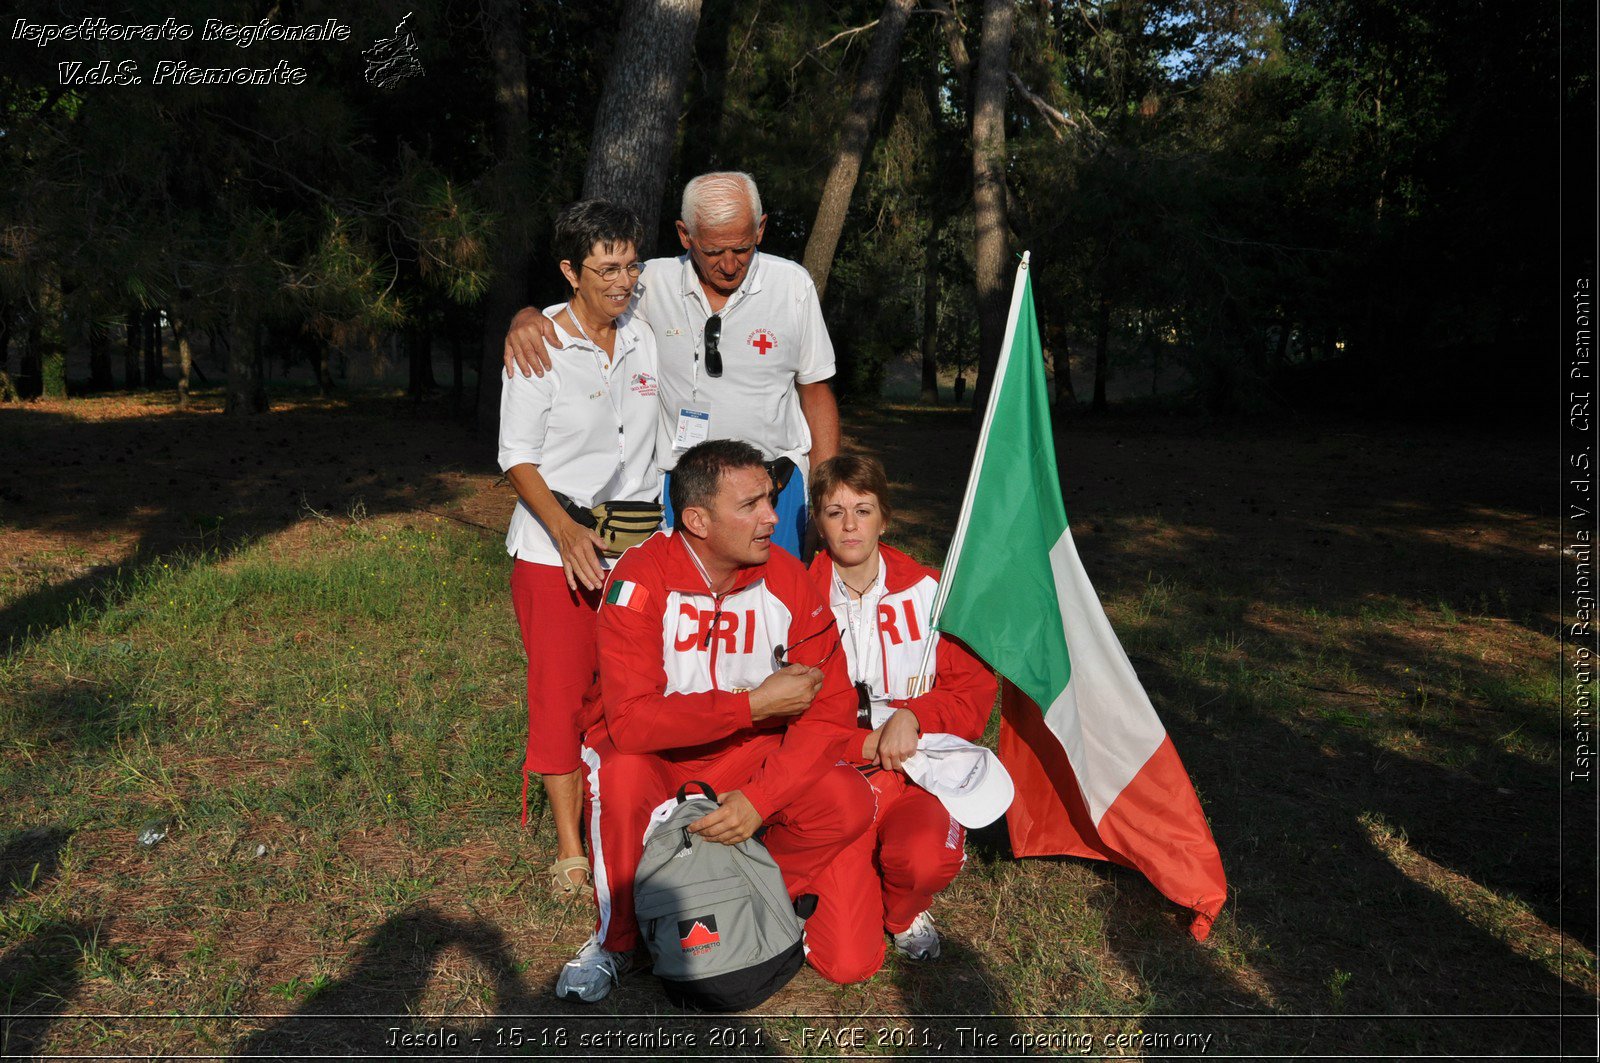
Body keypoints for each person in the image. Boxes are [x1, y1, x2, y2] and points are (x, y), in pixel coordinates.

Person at [555, 439, 874, 1003]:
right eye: (750, 505)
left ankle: (754, 894)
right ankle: (617, 940)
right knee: (619, 771)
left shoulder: (786, 575)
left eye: (769, 501)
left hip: (745, 755)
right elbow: (629, 722)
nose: (772, 517)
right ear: (698, 520)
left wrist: (762, 797)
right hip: (655, 756)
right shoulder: (641, 576)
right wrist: (750, 707)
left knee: (845, 797)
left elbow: (830, 708)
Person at [503, 171, 840, 557]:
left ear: (760, 229)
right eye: (713, 252)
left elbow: (815, 390)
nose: (730, 265)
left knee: (779, 608)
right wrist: (528, 316)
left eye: (742, 249)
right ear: (685, 235)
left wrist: (824, 497)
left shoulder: (792, 286)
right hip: (682, 491)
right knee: (685, 612)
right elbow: (588, 305)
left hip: (776, 487)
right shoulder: (650, 283)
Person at [498, 200, 661, 901]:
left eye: (631, 265)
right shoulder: (540, 346)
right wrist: (565, 531)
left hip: (635, 545)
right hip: (553, 548)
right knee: (561, 695)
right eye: (606, 269)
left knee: (624, 688)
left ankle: (623, 813)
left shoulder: (643, 337)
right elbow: (515, 456)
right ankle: (570, 846)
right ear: (570, 270)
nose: (623, 281)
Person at [799, 455, 999, 983]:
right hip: (837, 786)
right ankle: (851, 872)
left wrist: (916, 713)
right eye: (834, 511)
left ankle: (903, 911)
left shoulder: (930, 592)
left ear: (884, 518)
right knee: (846, 964)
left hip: (917, 773)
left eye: (862, 510)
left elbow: (976, 690)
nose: (849, 525)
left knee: (925, 858)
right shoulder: (792, 600)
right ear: (816, 522)